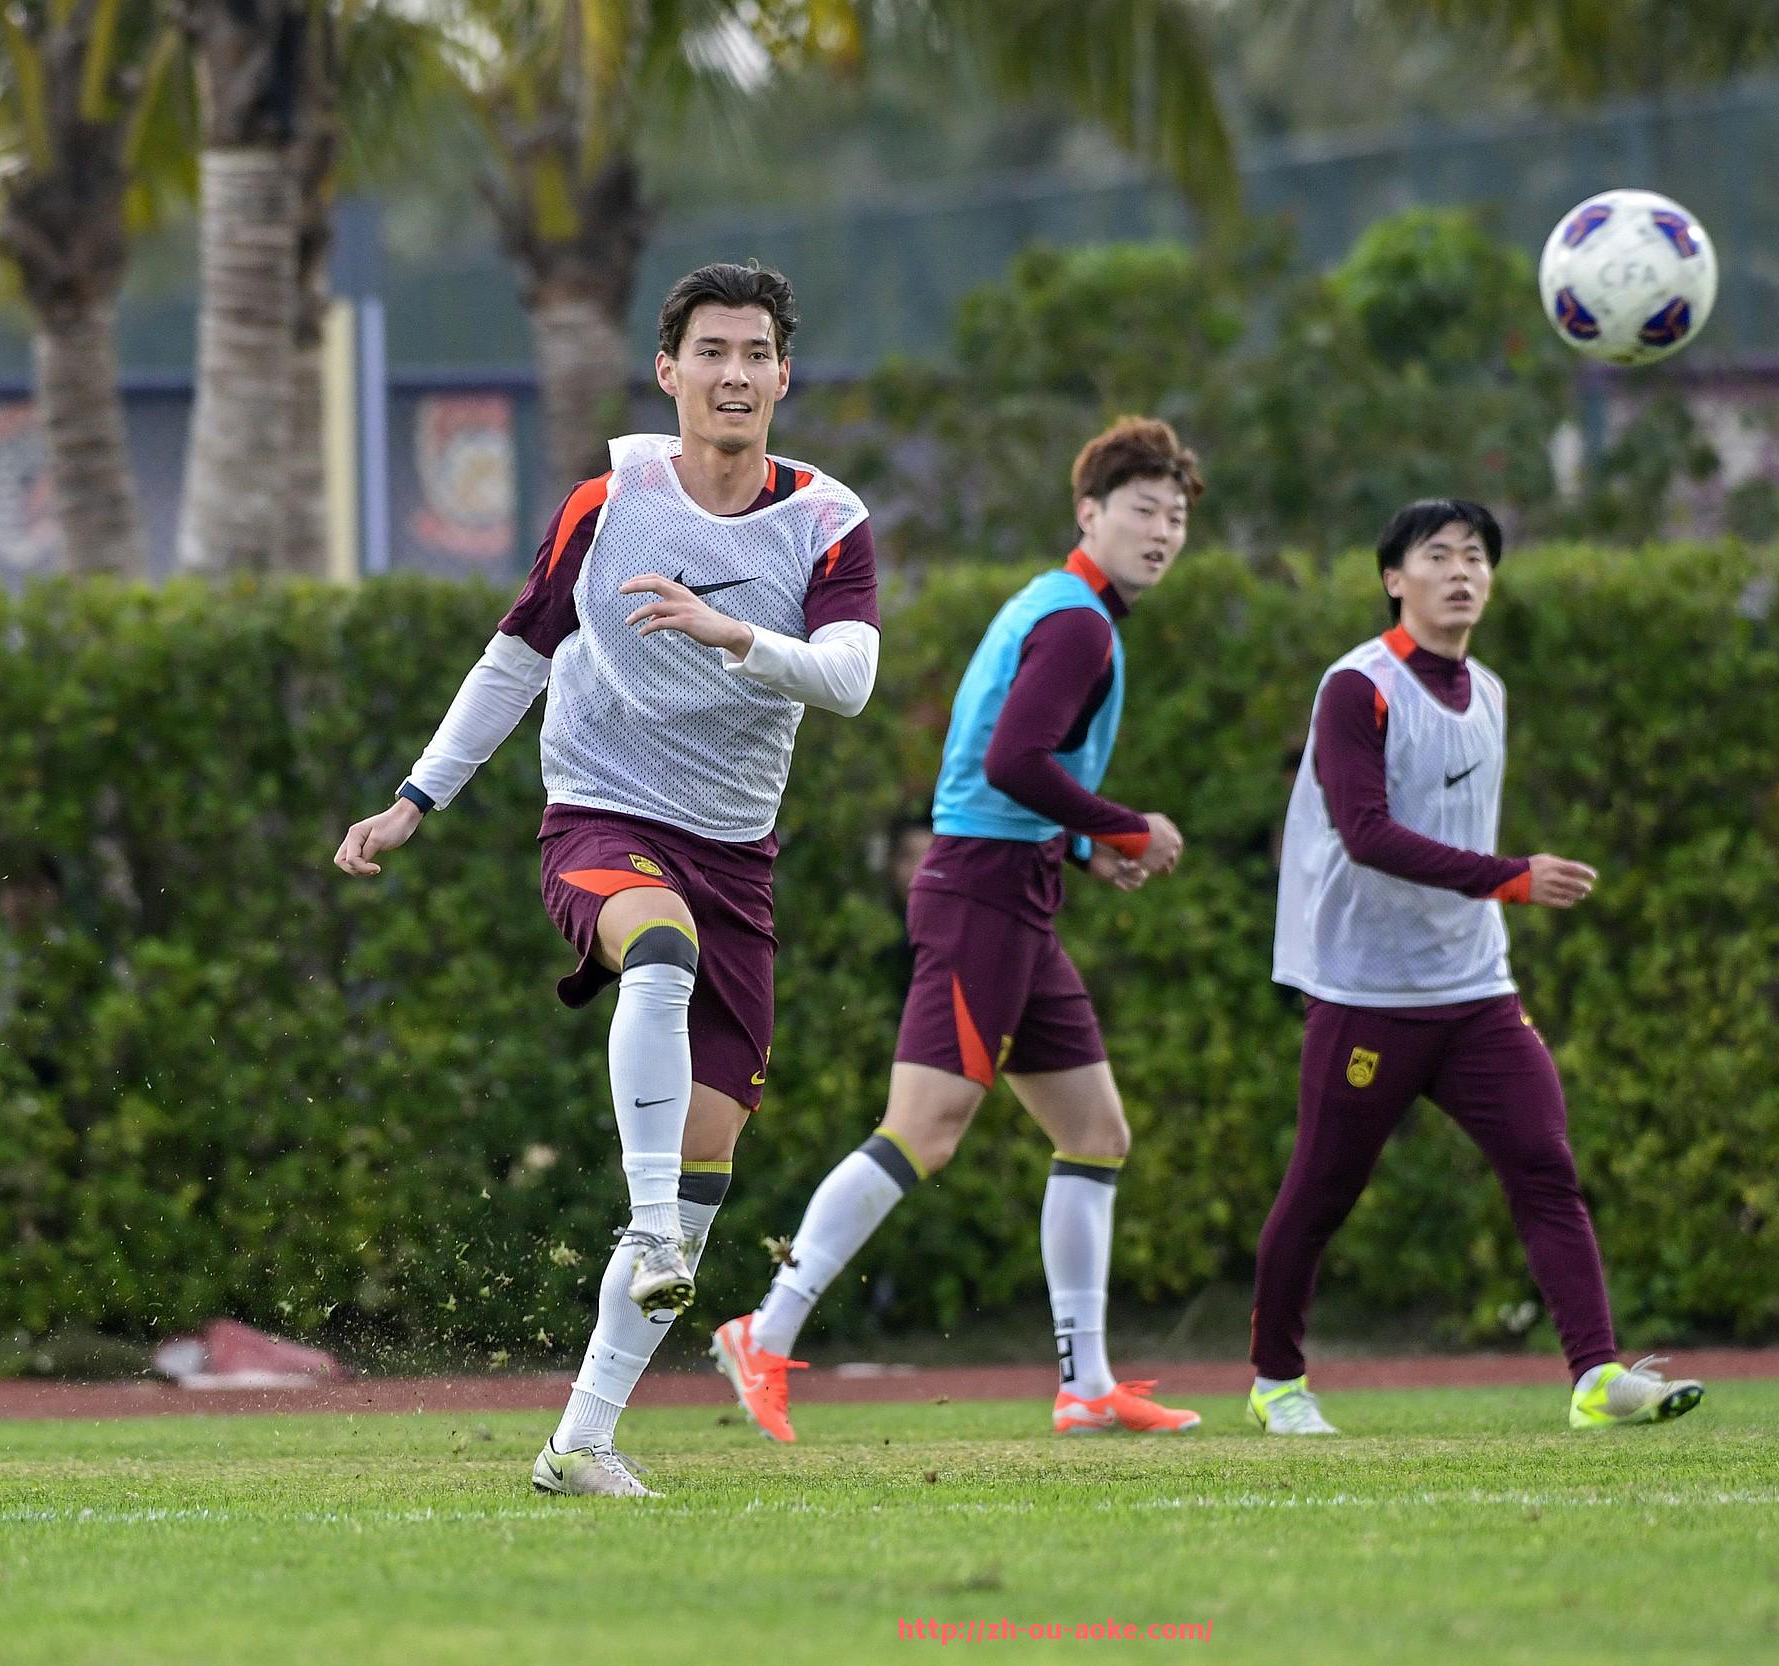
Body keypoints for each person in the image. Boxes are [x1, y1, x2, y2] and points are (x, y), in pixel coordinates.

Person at [331, 262, 882, 1497]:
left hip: (739, 852)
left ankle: (580, 1440)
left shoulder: (826, 521)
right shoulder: (610, 497)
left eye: (757, 355)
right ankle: (641, 1225)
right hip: (602, 816)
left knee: (708, 1170)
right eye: (713, 353)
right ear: (668, 371)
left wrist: (730, 631)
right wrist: (415, 799)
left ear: (784, 378)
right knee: (660, 951)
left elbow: (849, 678)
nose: (735, 375)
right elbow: (515, 655)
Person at [710, 418, 1204, 1442]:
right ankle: (765, 1330)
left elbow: (993, 769)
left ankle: (1084, 1385)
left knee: (1093, 1133)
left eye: (1178, 515)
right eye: (1143, 510)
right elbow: (1013, 764)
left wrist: (1078, 851)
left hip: (1013, 885)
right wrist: (1124, 827)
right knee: (921, 1130)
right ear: (1089, 514)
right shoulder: (1078, 622)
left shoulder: (1059, 605)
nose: (1162, 530)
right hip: (984, 895)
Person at [1248, 498, 1704, 1436]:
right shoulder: (1356, 688)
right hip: (1366, 992)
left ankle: (1595, 1378)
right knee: (1322, 1190)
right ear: (1393, 578)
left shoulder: (1489, 690)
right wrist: (1512, 879)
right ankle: (1275, 1384)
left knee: (1545, 1167)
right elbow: (1366, 836)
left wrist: (1498, 897)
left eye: (1477, 558)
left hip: (1478, 992)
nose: (1462, 572)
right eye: (1438, 555)